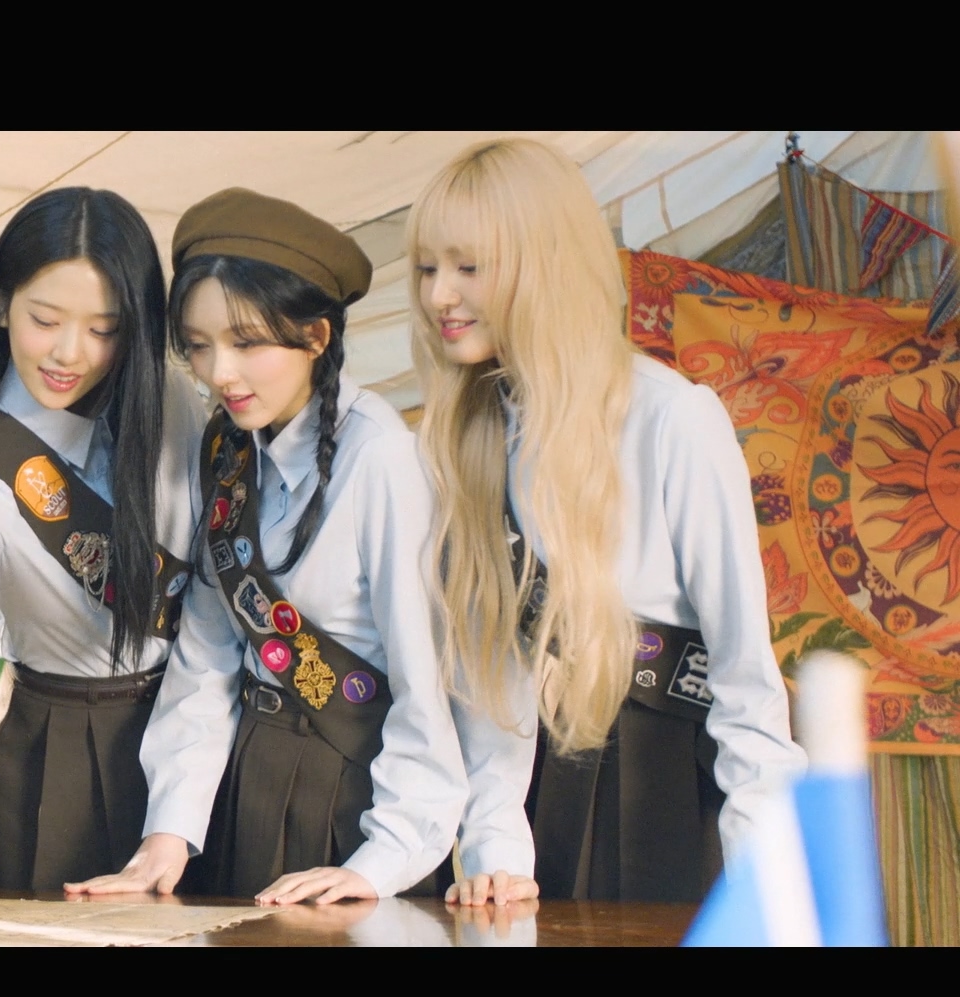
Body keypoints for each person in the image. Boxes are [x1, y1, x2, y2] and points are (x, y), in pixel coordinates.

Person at [406, 139, 807, 905]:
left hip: (676, 781)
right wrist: (497, 848)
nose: (438, 296)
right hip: (548, 785)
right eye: (427, 269)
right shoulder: (460, 436)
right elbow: (489, 676)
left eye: (468, 267)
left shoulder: (673, 419)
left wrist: (768, 884)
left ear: (545, 263)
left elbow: (746, 681)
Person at [70, 188, 466, 904]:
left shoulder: (380, 458)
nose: (220, 372)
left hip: (353, 801)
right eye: (198, 345)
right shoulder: (229, 447)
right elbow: (208, 651)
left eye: (247, 342)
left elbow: (425, 685)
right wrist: (170, 829)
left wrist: (380, 863)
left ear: (316, 335)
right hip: (244, 778)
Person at [0, 188, 205, 924]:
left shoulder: (177, 401)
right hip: (54, 746)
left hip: (197, 730)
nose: (69, 353)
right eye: (45, 320)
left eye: (104, 328)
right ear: (1, 304)